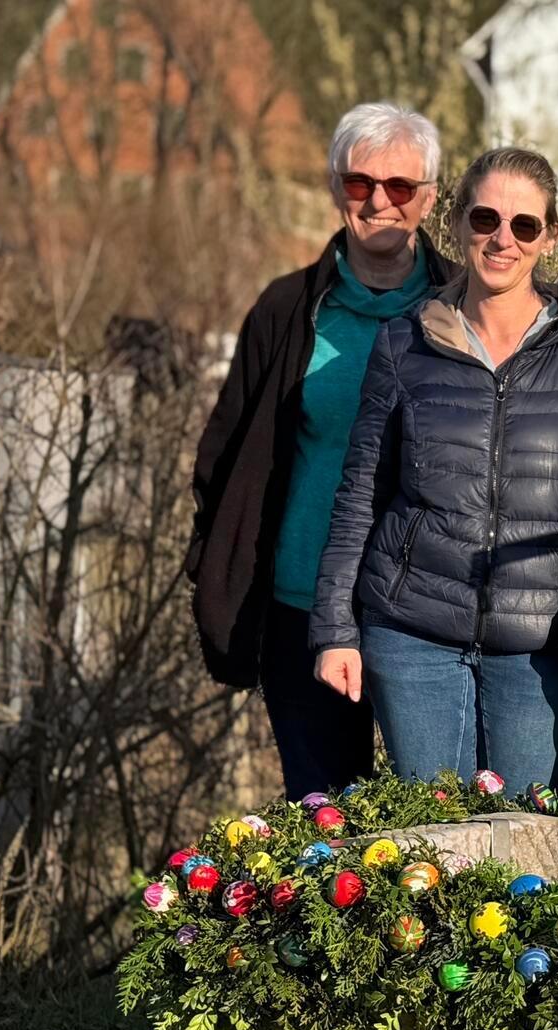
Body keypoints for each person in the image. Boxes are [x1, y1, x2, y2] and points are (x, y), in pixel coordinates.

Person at [309, 148, 558, 794]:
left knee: (520, 848)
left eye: (523, 225)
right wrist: (334, 629)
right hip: (411, 633)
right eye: (485, 219)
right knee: (430, 844)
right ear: (456, 226)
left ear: (550, 237)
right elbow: (361, 493)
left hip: (536, 645)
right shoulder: (405, 340)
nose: (501, 239)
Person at [186, 102, 456, 800]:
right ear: (338, 189)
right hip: (301, 607)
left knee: (439, 824)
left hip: (426, 615)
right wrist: (216, 567)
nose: (379, 202)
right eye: (361, 182)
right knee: (322, 823)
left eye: (400, 187)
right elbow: (227, 451)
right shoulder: (287, 309)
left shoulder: (464, 307)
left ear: (427, 198)